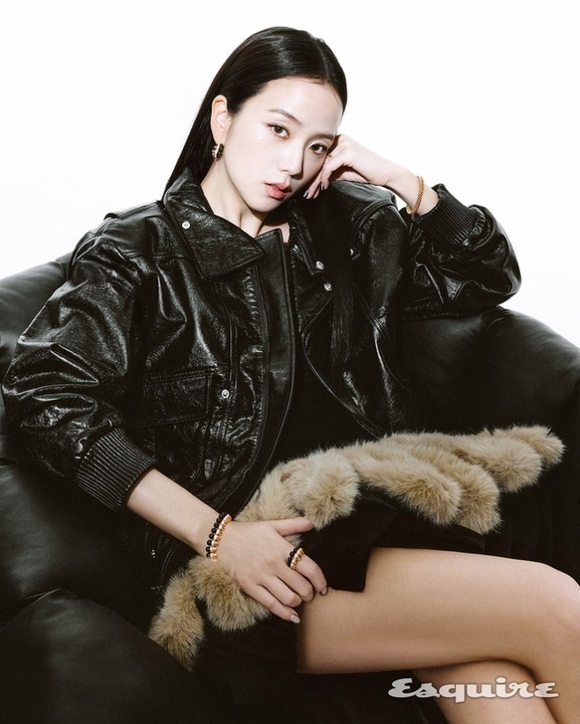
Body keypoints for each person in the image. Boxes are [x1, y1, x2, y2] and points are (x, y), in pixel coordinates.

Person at [3, 26, 580, 723]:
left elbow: (487, 275)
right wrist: (219, 536)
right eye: (277, 129)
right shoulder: (138, 252)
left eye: (317, 145)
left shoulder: (343, 232)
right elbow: (44, 400)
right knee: (557, 609)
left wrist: (403, 181)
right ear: (222, 118)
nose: (293, 163)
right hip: (252, 568)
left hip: (369, 519)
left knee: (498, 687)